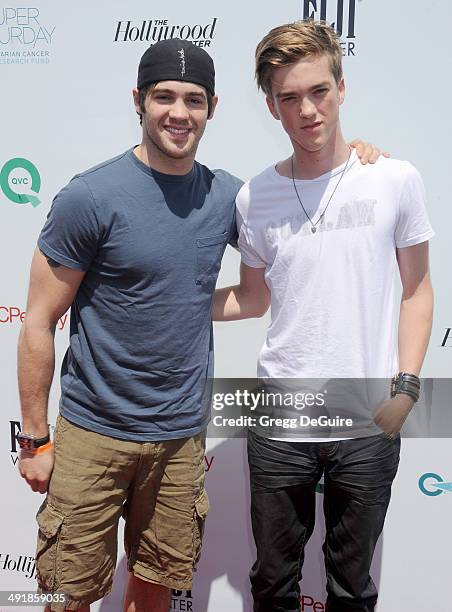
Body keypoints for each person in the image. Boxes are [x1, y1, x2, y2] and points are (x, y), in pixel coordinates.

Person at [17, 36, 383, 612]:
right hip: (92, 432)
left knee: (155, 585)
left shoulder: (228, 197)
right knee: (68, 596)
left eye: (194, 100)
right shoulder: (89, 196)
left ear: (213, 107)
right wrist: (35, 438)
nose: (178, 113)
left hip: (181, 438)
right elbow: (38, 321)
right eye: (164, 97)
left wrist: (355, 158)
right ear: (138, 100)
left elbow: (306, 209)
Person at [212, 20, 434, 612]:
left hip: (368, 422)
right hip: (280, 420)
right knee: (272, 586)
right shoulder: (254, 197)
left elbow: (417, 290)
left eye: (319, 91)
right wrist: (173, 303)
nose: (307, 110)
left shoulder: (393, 178)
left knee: (352, 590)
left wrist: (407, 389)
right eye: (289, 98)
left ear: (341, 86)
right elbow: (254, 298)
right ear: (271, 106)